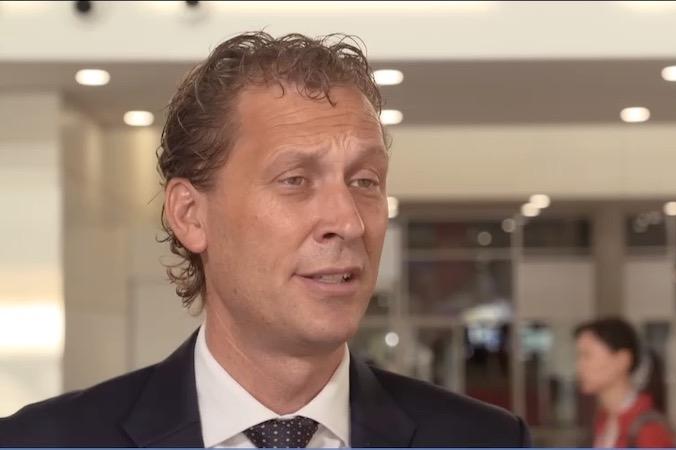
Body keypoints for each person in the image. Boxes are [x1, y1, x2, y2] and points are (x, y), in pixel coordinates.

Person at [0, 32, 531, 448]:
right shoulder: (40, 442)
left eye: (365, 181)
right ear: (190, 215)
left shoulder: (487, 440)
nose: (348, 222)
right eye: (295, 180)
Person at [574, 317, 676, 448]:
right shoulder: (603, 419)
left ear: (622, 360)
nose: (579, 366)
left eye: (587, 355)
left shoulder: (649, 429)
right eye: (579, 356)